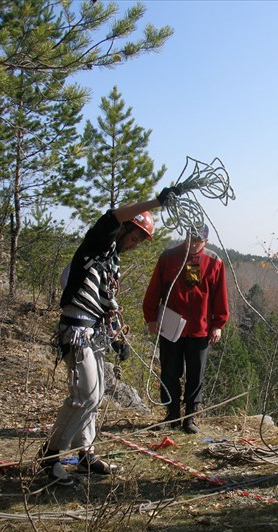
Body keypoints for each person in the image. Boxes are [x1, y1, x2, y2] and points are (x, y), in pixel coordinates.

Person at [39, 187, 180, 486]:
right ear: (125, 229)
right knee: (84, 396)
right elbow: (113, 216)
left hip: (94, 332)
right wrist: (156, 203)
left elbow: (104, 303)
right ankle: (50, 457)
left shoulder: (111, 260)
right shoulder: (97, 244)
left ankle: (85, 454)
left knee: (96, 394)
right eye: (135, 237)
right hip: (76, 330)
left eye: (141, 241)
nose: (136, 244)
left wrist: (116, 336)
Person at [143, 224, 229, 434]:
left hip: (200, 328)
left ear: (205, 241)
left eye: (198, 241)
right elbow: (154, 290)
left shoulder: (214, 262)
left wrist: (218, 324)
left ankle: (190, 417)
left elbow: (220, 295)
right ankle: (171, 415)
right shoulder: (169, 257)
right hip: (171, 326)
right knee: (170, 372)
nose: (193, 244)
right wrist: (151, 318)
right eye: (190, 239)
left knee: (195, 374)